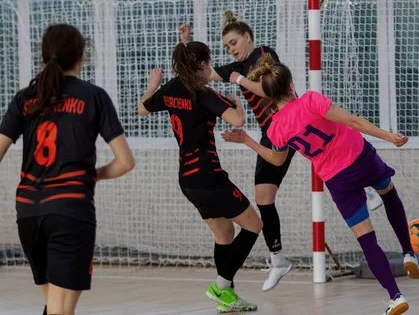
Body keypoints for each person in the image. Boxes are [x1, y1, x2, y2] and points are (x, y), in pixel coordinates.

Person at [178, 13, 383, 291]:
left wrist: (238, 79)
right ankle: (278, 261)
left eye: (234, 42)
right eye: (226, 46)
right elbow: (199, 75)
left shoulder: (265, 55)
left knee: (329, 154)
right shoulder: (233, 69)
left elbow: (267, 88)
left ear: (248, 37)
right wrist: (187, 45)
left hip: (295, 120)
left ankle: (367, 189)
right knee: (264, 196)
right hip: (273, 133)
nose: (231, 49)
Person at [221, 53, 419, 315]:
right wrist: (388, 136)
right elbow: (353, 121)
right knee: (388, 193)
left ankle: (395, 296)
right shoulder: (311, 100)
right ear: (292, 86)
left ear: (267, 96)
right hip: (360, 157)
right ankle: (409, 252)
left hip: (337, 179)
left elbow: (276, 160)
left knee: (366, 238)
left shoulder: (275, 128)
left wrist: (248, 140)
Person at [0, 24, 135, 315]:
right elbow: (125, 162)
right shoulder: (93, 96)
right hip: (70, 209)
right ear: (82, 55)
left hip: (28, 212)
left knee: (54, 306)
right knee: (61, 311)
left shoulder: (25, 97)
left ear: (44, 55)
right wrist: (94, 174)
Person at [138, 41, 262, 313]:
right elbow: (237, 121)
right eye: (210, 64)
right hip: (209, 175)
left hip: (187, 178)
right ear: (204, 65)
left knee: (224, 232)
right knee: (253, 224)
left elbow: (143, 108)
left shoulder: (170, 89)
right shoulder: (203, 93)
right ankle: (220, 285)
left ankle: (226, 297)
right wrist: (237, 104)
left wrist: (153, 84)